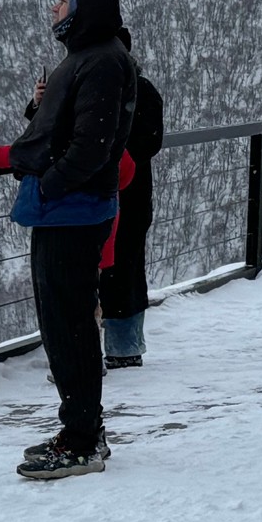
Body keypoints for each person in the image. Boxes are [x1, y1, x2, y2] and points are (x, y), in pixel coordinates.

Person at [0, 0, 137, 481]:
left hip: (72, 211)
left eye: (62, 1)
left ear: (83, 8)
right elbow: (65, 127)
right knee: (64, 325)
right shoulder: (91, 57)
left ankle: (82, 440)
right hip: (67, 208)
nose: (54, 9)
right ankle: (84, 429)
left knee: (68, 328)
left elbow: (91, 145)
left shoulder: (103, 61)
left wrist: (51, 184)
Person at [97, 25, 165, 370]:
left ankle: (121, 347)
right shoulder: (136, 91)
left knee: (120, 269)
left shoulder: (140, 93)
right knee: (120, 270)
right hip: (121, 195)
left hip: (125, 196)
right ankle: (118, 346)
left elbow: (147, 142)